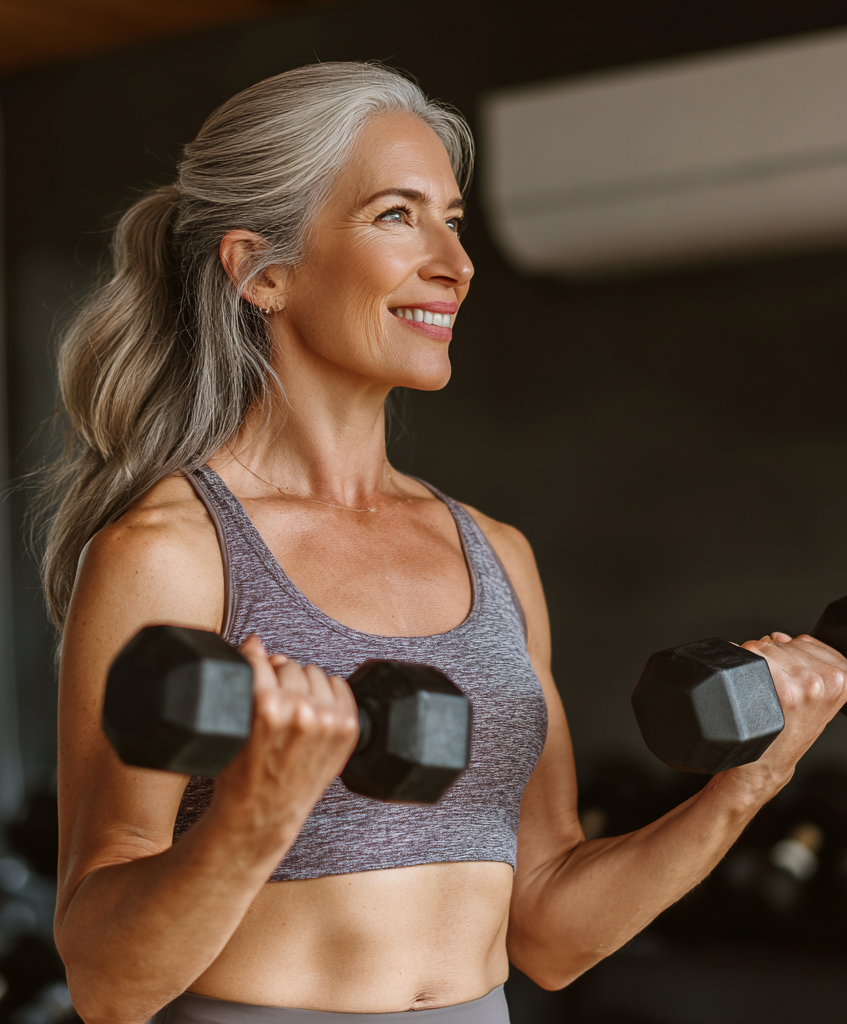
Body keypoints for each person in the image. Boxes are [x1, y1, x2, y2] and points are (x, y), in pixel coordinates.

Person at [42, 63, 846, 1024]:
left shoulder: (495, 554)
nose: (456, 265)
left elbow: (548, 934)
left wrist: (751, 779)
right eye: (396, 215)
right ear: (263, 270)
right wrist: (256, 817)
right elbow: (106, 981)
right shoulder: (171, 553)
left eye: (453, 221)